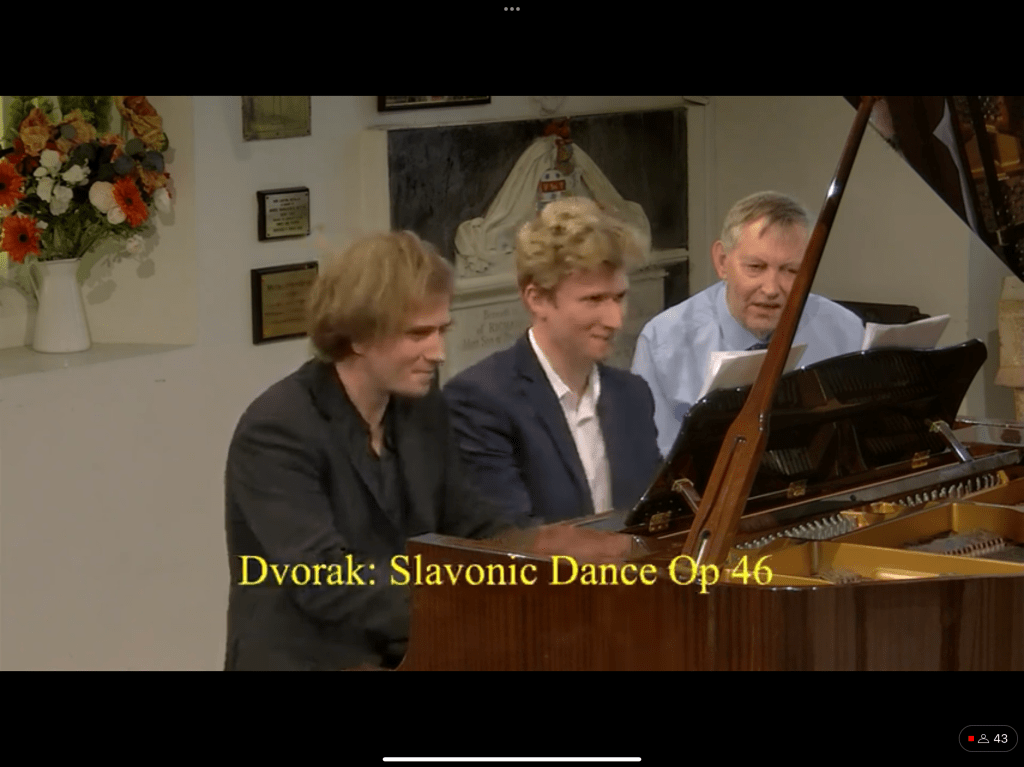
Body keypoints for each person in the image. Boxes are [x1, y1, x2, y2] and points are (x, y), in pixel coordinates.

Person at [224, 231, 633, 672]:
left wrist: (548, 548)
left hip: (411, 650)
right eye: (418, 334)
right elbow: (325, 580)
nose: (438, 353)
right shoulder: (278, 429)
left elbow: (470, 522)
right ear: (358, 336)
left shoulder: (419, 407)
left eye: (441, 331)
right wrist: (474, 596)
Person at [443, 197, 663, 526]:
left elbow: (656, 518)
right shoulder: (480, 400)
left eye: (619, 297)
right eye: (594, 300)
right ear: (537, 299)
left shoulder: (633, 395)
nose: (615, 319)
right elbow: (510, 535)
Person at [632, 191, 865, 457]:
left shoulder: (845, 331)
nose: (771, 289)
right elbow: (650, 460)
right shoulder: (663, 341)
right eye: (756, 267)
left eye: (791, 270)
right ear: (722, 261)